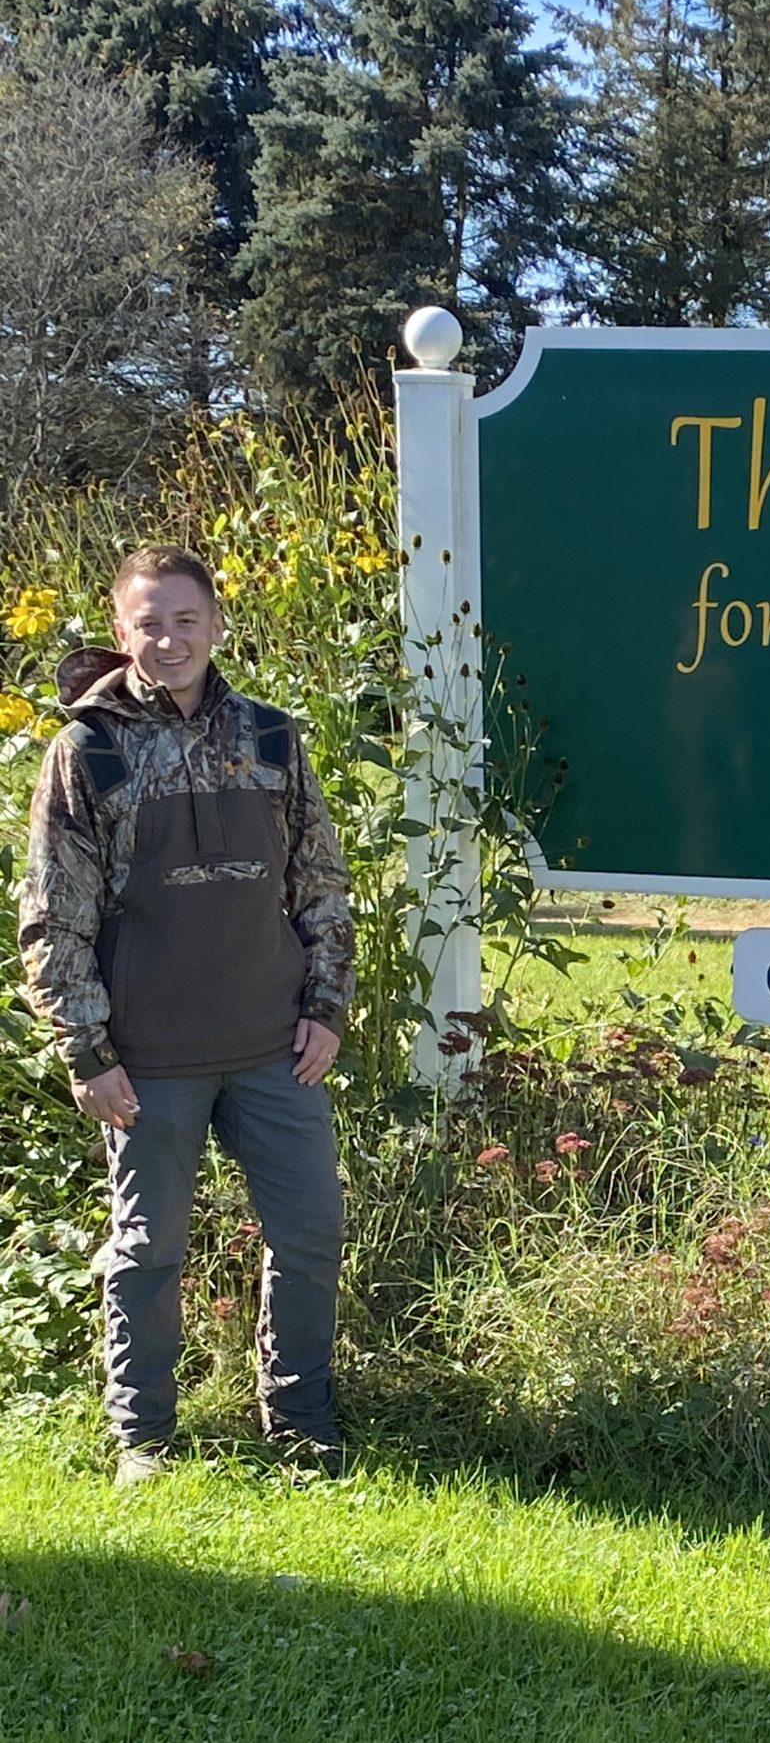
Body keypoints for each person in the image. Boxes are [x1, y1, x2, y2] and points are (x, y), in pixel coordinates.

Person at [18, 545, 354, 1484]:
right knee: (148, 1250)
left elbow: (320, 884)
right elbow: (53, 914)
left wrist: (326, 1007)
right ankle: (143, 1439)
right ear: (120, 631)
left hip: (273, 1049)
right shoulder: (87, 750)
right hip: (147, 1062)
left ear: (215, 625)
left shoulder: (275, 738)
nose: (168, 640)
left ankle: (299, 1423)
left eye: (185, 620)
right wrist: (86, 1051)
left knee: (311, 1232)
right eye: (148, 623)